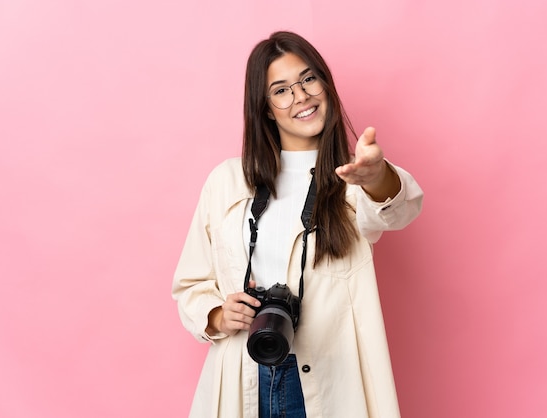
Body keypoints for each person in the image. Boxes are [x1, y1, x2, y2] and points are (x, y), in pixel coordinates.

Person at [172, 31, 423, 418]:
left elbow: (398, 208)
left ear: (325, 83)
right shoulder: (226, 181)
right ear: (267, 109)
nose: (301, 96)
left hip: (327, 378)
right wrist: (221, 315)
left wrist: (375, 176)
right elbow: (190, 283)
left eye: (308, 79)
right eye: (282, 90)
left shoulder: (349, 178)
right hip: (244, 370)